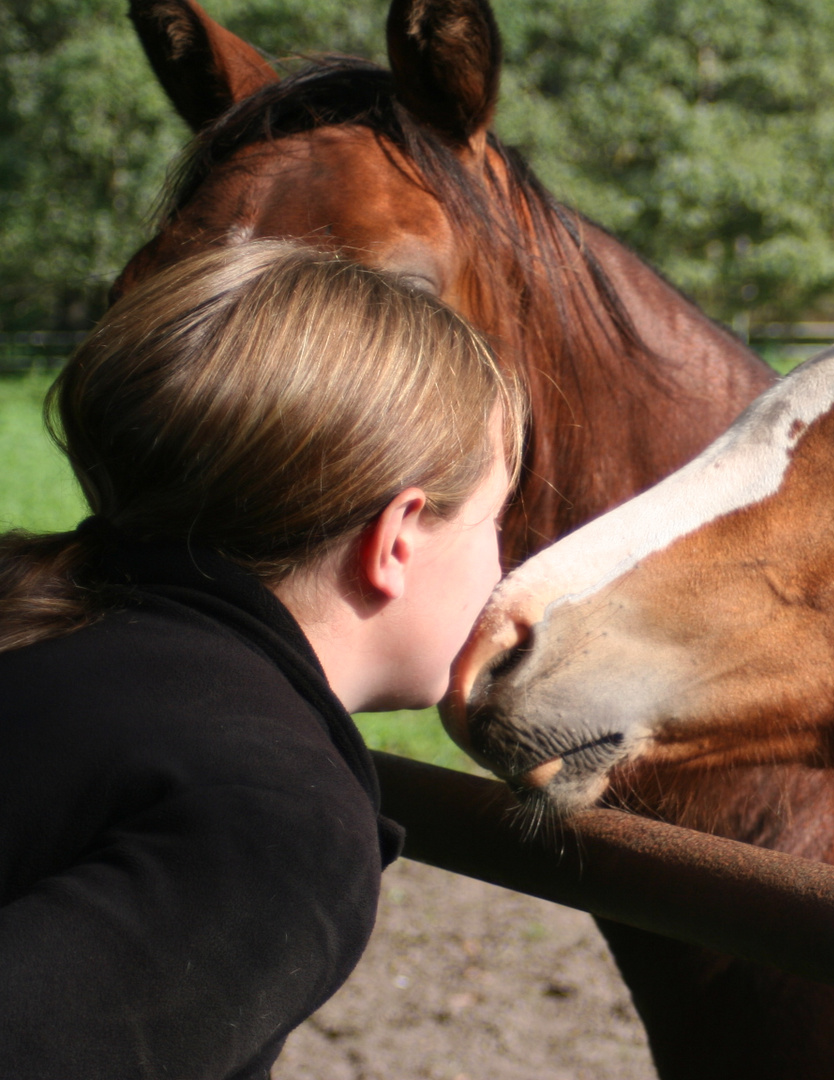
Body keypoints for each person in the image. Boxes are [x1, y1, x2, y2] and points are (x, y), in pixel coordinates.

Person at [0, 240, 525, 1078]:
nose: (503, 567)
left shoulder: (44, 622)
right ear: (395, 539)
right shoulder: (278, 819)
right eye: (496, 520)